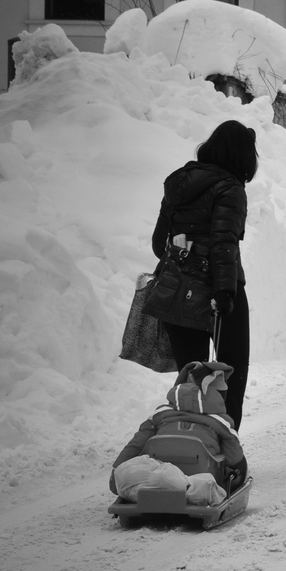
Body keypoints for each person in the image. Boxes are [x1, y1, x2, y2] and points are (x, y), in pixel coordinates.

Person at [152, 120, 254, 427]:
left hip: (177, 290)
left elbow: (160, 244)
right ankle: (225, 451)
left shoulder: (178, 183)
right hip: (220, 292)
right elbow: (224, 244)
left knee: (192, 379)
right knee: (229, 375)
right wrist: (224, 293)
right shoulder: (231, 189)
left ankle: (191, 448)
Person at [110, 360, 247, 501]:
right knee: (235, 467)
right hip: (199, 478)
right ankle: (210, 492)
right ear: (219, 396)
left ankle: (148, 492)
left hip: (159, 475)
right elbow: (233, 457)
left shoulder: (160, 413)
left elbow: (136, 444)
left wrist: (116, 472)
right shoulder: (221, 421)